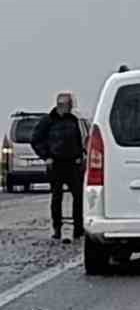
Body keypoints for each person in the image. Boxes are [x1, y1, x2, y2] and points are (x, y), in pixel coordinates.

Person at [31, 92, 85, 243]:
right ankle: (57, 228)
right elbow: (35, 140)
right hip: (55, 163)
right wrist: (46, 156)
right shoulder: (47, 121)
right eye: (70, 104)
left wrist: (80, 155)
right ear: (62, 105)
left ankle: (78, 228)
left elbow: (78, 139)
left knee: (78, 197)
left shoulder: (73, 120)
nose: (72, 106)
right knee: (57, 197)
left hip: (73, 164)